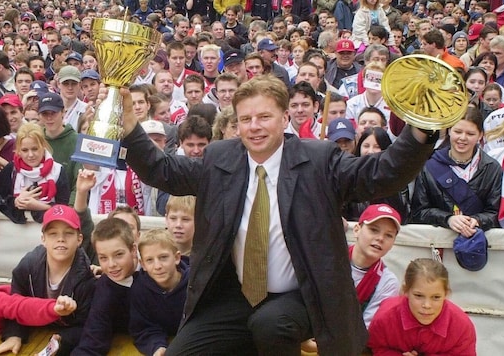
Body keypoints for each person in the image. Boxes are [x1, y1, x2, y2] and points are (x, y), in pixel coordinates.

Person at [116, 74, 437, 354]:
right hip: (234, 295)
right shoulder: (219, 158)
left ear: (285, 118)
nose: (254, 127)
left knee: (270, 324)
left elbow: (381, 173)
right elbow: (164, 171)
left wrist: (421, 129)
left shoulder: (319, 160)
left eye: (264, 117)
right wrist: (131, 128)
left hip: (303, 294)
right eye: (245, 119)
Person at [0, 202, 96, 356]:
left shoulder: (87, 277)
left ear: (79, 239)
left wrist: (61, 342)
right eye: (53, 233)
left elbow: (88, 324)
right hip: (32, 332)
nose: (61, 239)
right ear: (43, 239)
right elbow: (15, 302)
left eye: (68, 233)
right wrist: (14, 334)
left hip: (64, 339)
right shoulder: (27, 266)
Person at [303, 204, 403, 353]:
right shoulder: (329, 257)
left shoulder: (388, 282)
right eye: (374, 230)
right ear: (357, 230)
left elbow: (368, 329)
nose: (380, 238)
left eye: (389, 235)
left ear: (393, 243)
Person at [411, 107, 502, 237]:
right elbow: (418, 211)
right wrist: (448, 219)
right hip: (436, 242)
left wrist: (476, 220)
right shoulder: (429, 166)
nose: (462, 138)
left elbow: (495, 212)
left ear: (480, 135)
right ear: (449, 130)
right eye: (458, 131)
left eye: (470, 134)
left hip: (478, 241)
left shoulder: (492, 168)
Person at [367, 258, 476, 355]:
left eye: (436, 297)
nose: (427, 305)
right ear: (405, 291)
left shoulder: (461, 326)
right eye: (418, 296)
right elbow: (374, 348)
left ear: (446, 294)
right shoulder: (384, 319)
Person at [73, 218, 138, 355]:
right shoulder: (105, 290)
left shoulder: (155, 269)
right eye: (103, 258)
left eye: (119, 255)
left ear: (133, 249)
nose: (111, 264)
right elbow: (93, 339)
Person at [129, 229, 189, 356]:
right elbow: (143, 327)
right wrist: (157, 346)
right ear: (143, 264)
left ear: (177, 258)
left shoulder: (194, 283)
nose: (157, 266)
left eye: (163, 257)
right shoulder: (139, 289)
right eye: (150, 260)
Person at [13, 123, 70, 224]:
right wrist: (17, 201)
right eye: (25, 150)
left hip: (51, 229)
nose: (30, 155)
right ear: (18, 151)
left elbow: (64, 209)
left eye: (35, 149)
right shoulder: (12, 170)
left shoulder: (57, 170)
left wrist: (38, 206)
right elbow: (2, 202)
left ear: (43, 146)